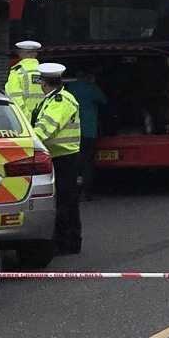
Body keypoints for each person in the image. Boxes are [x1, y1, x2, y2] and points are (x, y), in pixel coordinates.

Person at [31, 63, 82, 255]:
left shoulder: (61, 101)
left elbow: (46, 129)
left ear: (44, 82)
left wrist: (29, 141)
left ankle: (68, 243)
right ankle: (66, 240)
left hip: (65, 158)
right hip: (57, 156)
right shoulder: (50, 99)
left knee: (65, 202)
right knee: (63, 201)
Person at [65, 71, 109, 199]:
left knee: (74, 162)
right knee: (87, 162)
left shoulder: (70, 88)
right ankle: (86, 192)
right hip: (89, 131)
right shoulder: (91, 87)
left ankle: (73, 191)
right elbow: (104, 101)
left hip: (72, 131)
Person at [4, 40, 44, 120]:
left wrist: (27, 117)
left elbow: (14, 97)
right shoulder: (45, 71)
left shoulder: (17, 72)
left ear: (21, 53)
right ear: (35, 54)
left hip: (24, 120)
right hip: (43, 118)